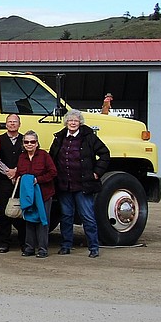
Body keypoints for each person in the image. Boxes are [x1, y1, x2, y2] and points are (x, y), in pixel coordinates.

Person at [49, 109, 110, 258]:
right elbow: (52, 157)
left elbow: (104, 154)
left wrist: (96, 173)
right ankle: (66, 245)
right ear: (66, 122)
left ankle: (94, 247)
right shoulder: (59, 137)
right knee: (66, 216)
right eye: (70, 121)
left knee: (87, 216)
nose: (73, 123)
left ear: (80, 123)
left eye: (75, 121)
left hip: (83, 185)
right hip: (64, 185)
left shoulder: (88, 137)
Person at [16, 132, 57, 258]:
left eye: (32, 142)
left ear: (37, 143)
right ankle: (29, 248)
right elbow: (19, 172)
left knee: (42, 221)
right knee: (29, 220)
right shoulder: (22, 157)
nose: (29, 144)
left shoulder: (44, 155)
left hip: (43, 194)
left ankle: (42, 249)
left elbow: (53, 172)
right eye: (27, 142)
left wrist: (38, 180)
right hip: (28, 195)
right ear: (23, 144)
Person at [0, 114, 24, 253]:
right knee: (4, 213)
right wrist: (8, 172)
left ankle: (24, 242)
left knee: (22, 212)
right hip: (4, 181)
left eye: (14, 122)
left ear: (19, 124)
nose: (12, 124)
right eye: (9, 122)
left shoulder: (26, 140)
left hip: (21, 181)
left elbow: (28, 158)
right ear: (6, 124)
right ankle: (4, 243)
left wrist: (16, 172)